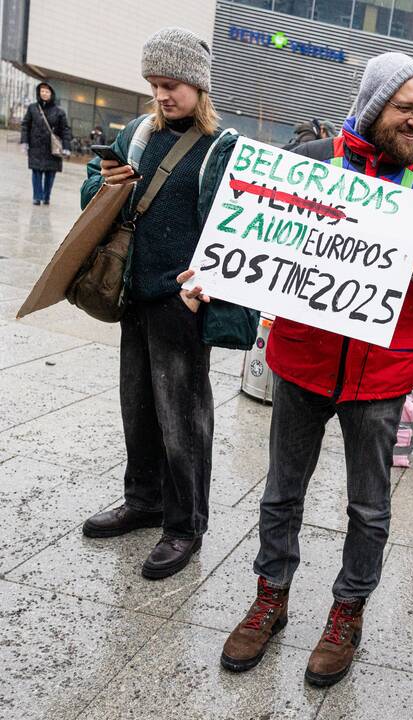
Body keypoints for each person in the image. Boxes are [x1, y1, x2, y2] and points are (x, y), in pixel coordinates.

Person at [219, 51, 413, 688]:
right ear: (374, 106)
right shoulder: (312, 164)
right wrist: (213, 276)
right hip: (302, 363)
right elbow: (250, 236)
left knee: (369, 508)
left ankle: (347, 613)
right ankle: (271, 596)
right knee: (282, 491)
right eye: (405, 108)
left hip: (382, 377)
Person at [79, 28, 256, 579]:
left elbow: (239, 229)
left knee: (184, 418)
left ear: (198, 86)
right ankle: (143, 499)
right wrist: (104, 184)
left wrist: (209, 284)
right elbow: (93, 199)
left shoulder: (220, 147)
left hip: (184, 302)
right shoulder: (135, 134)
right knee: (137, 406)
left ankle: (185, 525)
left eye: (172, 84)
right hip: (136, 293)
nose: (162, 95)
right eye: (155, 84)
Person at [20, 81, 72, 206]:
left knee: (50, 173)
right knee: (36, 172)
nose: (44, 93)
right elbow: (25, 125)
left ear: (51, 94)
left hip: (52, 148)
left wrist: (66, 146)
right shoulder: (33, 108)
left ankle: (46, 196)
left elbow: (65, 129)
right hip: (36, 146)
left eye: (47, 91)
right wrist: (24, 141)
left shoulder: (59, 112)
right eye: (42, 91)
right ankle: (37, 197)